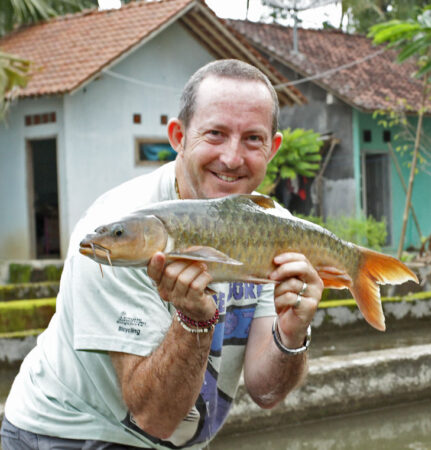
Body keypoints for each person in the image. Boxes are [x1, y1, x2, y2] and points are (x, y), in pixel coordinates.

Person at [1, 59, 324, 449]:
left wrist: (291, 333)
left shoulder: (268, 226)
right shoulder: (118, 235)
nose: (233, 157)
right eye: (215, 134)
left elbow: (266, 392)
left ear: (272, 149)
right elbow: (155, 417)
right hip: (66, 433)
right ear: (178, 136)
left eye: (252, 139)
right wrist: (193, 320)